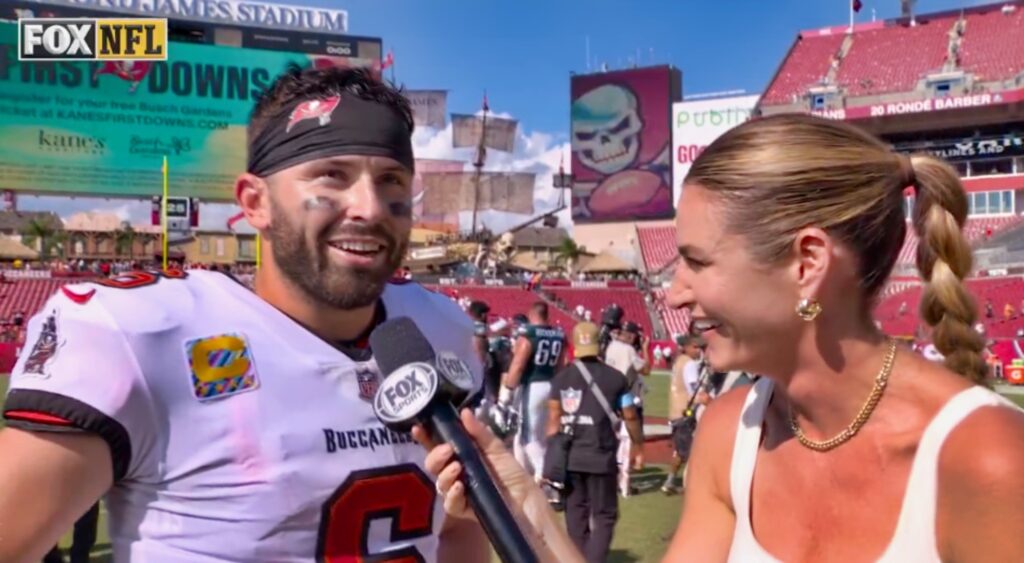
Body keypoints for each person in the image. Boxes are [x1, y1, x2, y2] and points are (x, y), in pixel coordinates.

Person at [421, 113, 1024, 562]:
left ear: (807, 261)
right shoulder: (729, 431)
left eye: (698, 263)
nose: (675, 293)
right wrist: (520, 496)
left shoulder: (989, 459)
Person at [0, 66, 490, 561]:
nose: (370, 206)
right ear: (255, 203)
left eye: (391, 180)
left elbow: (455, 528)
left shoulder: (437, 328)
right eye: (332, 176)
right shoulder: (142, 336)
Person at [545, 322, 643, 562]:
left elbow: (554, 421)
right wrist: (638, 445)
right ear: (599, 344)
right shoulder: (617, 379)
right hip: (601, 455)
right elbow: (629, 415)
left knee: (575, 516)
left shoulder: (561, 379)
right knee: (604, 515)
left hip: (570, 457)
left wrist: (552, 456)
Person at [495, 301, 566, 482]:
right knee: (534, 435)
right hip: (550, 384)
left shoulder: (529, 334)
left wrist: (506, 394)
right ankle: (525, 475)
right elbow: (560, 366)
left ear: (531, 314)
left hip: (532, 387)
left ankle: (547, 475)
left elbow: (518, 365)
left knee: (529, 438)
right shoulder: (558, 335)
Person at [602, 321, 650, 495]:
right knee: (627, 442)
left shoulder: (611, 346)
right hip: (626, 397)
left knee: (612, 442)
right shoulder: (629, 350)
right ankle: (625, 486)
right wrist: (645, 348)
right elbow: (646, 369)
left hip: (608, 396)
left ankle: (611, 482)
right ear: (631, 335)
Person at [662, 334, 704, 494]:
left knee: (680, 451)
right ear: (685, 347)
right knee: (691, 451)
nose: (698, 350)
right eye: (695, 347)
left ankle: (670, 481)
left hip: (675, 412)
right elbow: (694, 388)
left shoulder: (678, 361)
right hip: (686, 412)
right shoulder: (689, 364)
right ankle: (692, 485)